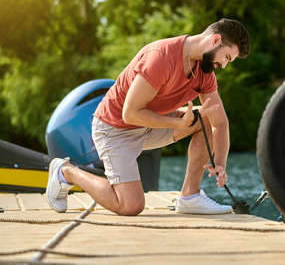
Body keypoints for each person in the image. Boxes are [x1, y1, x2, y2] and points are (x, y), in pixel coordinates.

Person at [45, 18, 250, 216]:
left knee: (206, 116)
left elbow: (220, 122)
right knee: (130, 206)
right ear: (215, 41)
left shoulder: (205, 72)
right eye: (226, 58)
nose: (223, 65)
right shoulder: (161, 57)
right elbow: (131, 113)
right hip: (115, 129)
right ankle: (66, 171)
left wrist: (220, 163)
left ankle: (190, 197)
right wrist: (178, 122)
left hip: (152, 125)